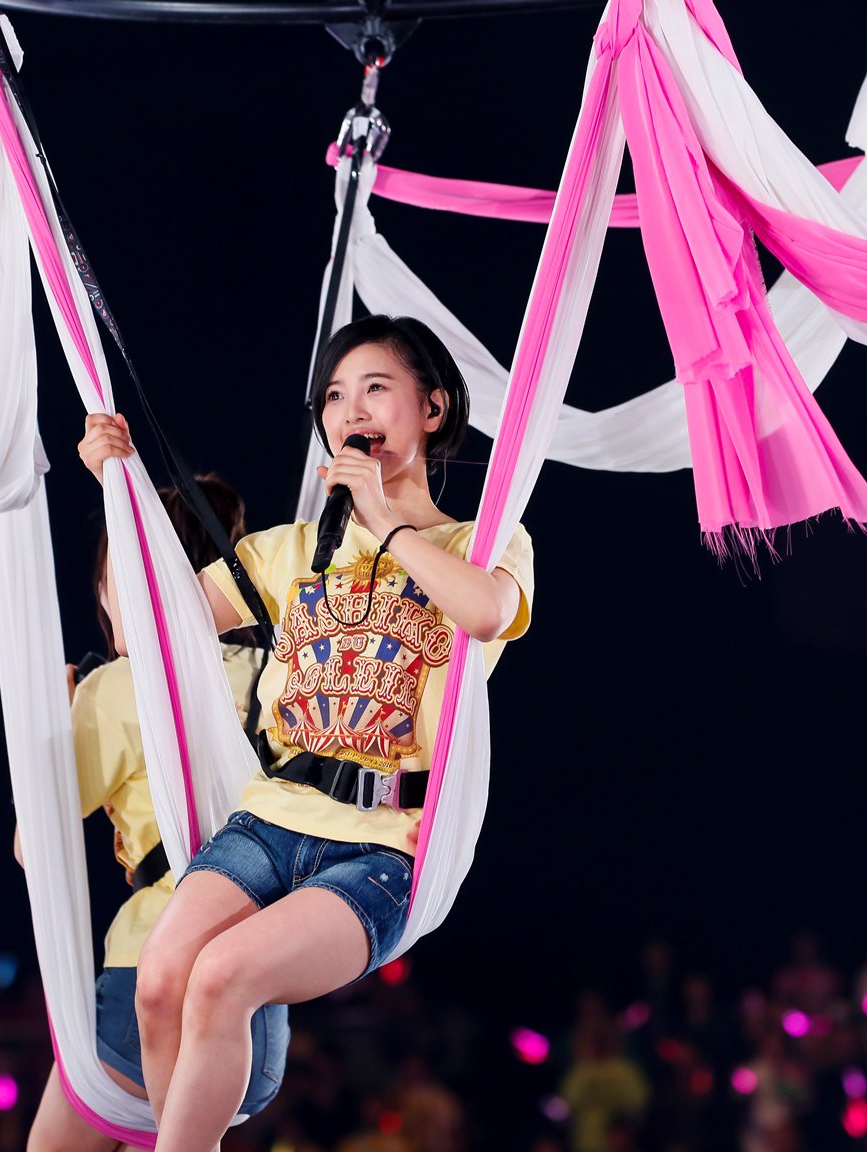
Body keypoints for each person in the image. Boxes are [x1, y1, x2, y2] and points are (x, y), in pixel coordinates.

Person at [78, 314, 535, 1151]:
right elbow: (151, 627)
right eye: (334, 396)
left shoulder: (484, 542)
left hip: (383, 849)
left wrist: (385, 523)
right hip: (269, 820)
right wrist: (119, 487)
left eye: (374, 388)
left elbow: (484, 614)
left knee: (220, 978)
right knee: (161, 981)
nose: (349, 409)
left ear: (432, 408)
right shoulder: (288, 553)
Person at [22, 478, 291, 1152]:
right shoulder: (279, 675)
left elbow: (35, 846)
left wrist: (52, 728)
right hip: (261, 1015)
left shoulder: (118, 688)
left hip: (151, 985)